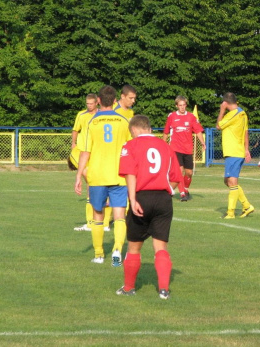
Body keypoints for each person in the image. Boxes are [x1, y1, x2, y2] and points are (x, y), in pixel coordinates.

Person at [116, 114, 182, 300]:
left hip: (141, 198)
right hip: (163, 199)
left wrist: (133, 198)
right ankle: (163, 290)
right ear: (149, 128)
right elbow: (177, 177)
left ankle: (129, 288)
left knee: (134, 248)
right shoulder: (166, 146)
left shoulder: (130, 145)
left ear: (135, 130)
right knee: (160, 247)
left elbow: (130, 173)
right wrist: (167, 192)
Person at [74, 85, 131, 266]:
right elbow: (131, 149)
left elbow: (85, 152)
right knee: (120, 215)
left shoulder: (93, 122)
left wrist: (78, 176)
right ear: (115, 101)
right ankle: (117, 250)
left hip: (97, 175)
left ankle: (99, 255)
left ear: (98, 101)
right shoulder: (123, 121)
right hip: (119, 175)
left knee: (98, 214)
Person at [69, 93, 111, 232]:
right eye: (87, 104)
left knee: (98, 185)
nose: (89, 106)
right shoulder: (81, 115)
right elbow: (75, 130)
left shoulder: (101, 116)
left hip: (97, 154)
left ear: (97, 103)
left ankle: (102, 223)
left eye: (91, 104)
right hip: (84, 153)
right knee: (90, 184)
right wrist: (73, 143)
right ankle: (92, 222)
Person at [216, 92, 254, 219]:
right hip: (237, 151)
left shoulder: (233, 114)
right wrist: (246, 149)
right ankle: (247, 206)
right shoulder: (243, 113)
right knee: (227, 181)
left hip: (233, 152)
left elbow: (218, 126)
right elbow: (246, 132)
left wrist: (221, 111)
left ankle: (230, 213)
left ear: (225, 103)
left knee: (232, 182)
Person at [163, 95, 206, 202]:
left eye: (184, 105)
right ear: (177, 106)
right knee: (179, 171)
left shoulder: (191, 117)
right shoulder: (172, 116)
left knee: (189, 173)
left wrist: (202, 143)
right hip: (175, 148)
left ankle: (185, 190)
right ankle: (182, 194)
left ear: (186, 105)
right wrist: (163, 145)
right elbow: (166, 132)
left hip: (187, 149)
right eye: (180, 105)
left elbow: (198, 131)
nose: (182, 107)